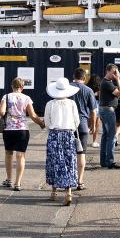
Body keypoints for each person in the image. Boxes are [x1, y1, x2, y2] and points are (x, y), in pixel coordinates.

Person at [0, 77, 44, 191]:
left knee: (8, 153)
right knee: (20, 155)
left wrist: (3, 111)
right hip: (22, 129)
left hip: (8, 129)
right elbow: (32, 115)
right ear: (22, 87)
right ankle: (17, 183)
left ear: (12, 86)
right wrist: (41, 123)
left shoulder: (6, 96)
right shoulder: (26, 98)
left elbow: (1, 111)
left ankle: (9, 179)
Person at [44, 77, 82, 205]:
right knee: (69, 162)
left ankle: (54, 192)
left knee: (54, 162)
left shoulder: (50, 104)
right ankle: (69, 192)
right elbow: (77, 121)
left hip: (54, 134)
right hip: (68, 134)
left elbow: (47, 122)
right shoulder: (72, 103)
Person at [69, 67, 98, 187]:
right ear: (84, 78)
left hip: (68, 124)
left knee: (69, 153)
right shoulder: (88, 90)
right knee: (81, 153)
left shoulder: (67, 88)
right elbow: (93, 110)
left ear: (73, 76)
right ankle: (80, 181)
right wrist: (93, 124)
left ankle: (69, 180)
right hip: (82, 124)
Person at [97, 64, 120, 168]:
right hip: (108, 110)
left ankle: (104, 161)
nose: (115, 74)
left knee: (105, 136)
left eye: (116, 72)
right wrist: (119, 79)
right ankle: (110, 162)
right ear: (107, 71)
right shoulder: (107, 83)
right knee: (111, 136)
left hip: (104, 109)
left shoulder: (106, 82)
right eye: (114, 72)